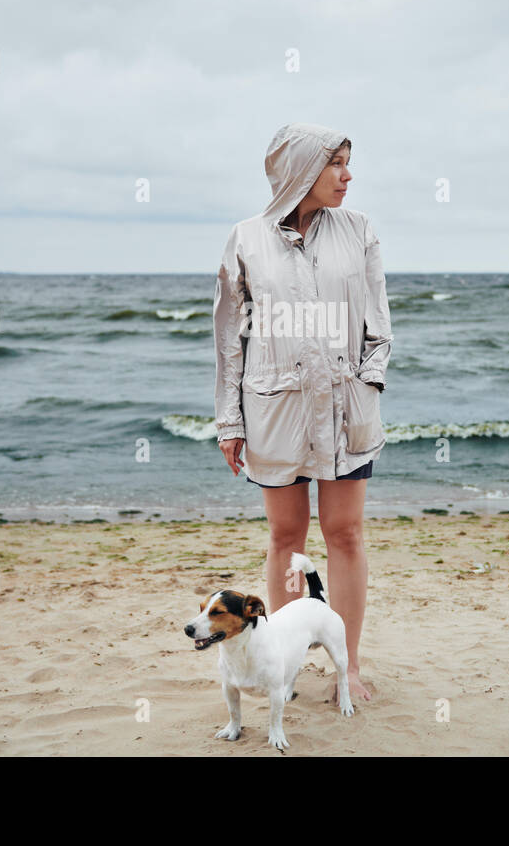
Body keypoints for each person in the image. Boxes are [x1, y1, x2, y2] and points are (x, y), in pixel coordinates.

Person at [212, 122, 392, 702]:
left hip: (346, 411)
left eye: (348, 162)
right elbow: (228, 340)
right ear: (299, 171)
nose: (347, 175)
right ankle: (281, 668)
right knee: (287, 536)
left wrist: (366, 383)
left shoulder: (359, 230)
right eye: (335, 163)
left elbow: (378, 327)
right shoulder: (246, 238)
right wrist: (230, 422)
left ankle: (349, 667)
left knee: (344, 535)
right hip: (276, 410)